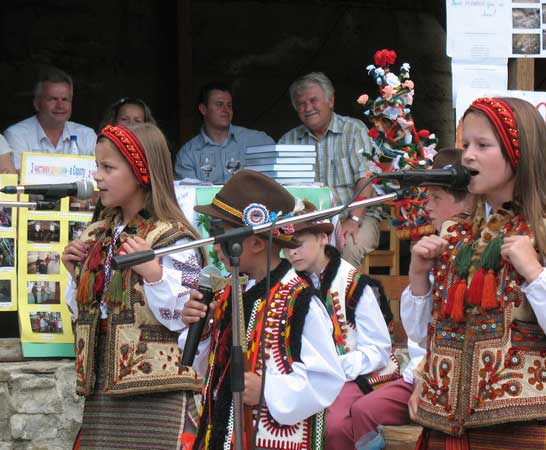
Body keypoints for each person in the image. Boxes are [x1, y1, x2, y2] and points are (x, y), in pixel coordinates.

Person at [403, 97, 546, 449]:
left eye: (482, 145)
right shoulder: (456, 236)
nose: (467, 156)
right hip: (449, 431)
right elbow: (426, 338)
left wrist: (536, 274)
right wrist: (419, 278)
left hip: (523, 431)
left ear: (518, 153)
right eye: (466, 145)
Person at [61, 123, 205, 449]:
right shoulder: (98, 234)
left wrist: (154, 273)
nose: (97, 176)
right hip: (104, 396)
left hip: (158, 395)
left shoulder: (175, 238)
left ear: (142, 172)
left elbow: (189, 312)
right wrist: (76, 276)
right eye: (97, 166)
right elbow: (88, 313)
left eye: (108, 167)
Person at [180, 169, 345, 449]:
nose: (216, 246)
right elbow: (205, 367)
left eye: (221, 235)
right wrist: (203, 330)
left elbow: (327, 379)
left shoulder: (300, 301)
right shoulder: (229, 293)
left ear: (256, 242)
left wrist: (268, 390)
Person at [283, 200, 397, 449]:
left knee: (335, 426)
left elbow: (378, 349)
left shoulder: (354, 284)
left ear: (323, 238)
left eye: (298, 245)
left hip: (351, 373)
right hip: (302, 375)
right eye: (286, 247)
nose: (291, 253)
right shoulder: (287, 284)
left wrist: (333, 368)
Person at [279, 72, 379, 269]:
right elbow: (280, 191)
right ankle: (301, 299)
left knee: (348, 246)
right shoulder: (288, 141)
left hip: (356, 216)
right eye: (301, 104)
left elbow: (366, 180)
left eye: (313, 100)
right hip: (306, 224)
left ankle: (341, 300)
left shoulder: (353, 130)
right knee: (282, 249)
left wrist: (354, 219)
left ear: (330, 101)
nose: (307, 108)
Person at [174, 81, 275, 184]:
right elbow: (188, 195)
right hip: (208, 201)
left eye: (229, 105)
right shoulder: (188, 154)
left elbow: (280, 175)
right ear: (203, 109)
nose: (226, 110)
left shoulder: (257, 140)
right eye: (219, 104)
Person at [4, 66, 96, 171]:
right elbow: (16, 180)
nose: (60, 105)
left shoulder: (87, 135)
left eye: (65, 99)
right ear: (37, 104)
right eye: (53, 99)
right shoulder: (17, 135)